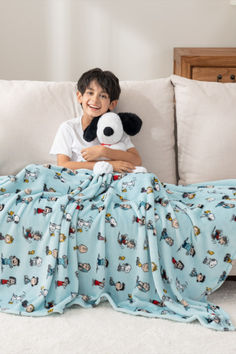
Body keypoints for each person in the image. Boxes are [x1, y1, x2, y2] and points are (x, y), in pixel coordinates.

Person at [50, 68, 142, 173]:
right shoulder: (69, 127)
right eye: (90, 93)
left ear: (112, 104)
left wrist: (104, 152)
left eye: (103, 96)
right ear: (80, 97)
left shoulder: (116, 128)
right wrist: (109, 165)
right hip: (80, 180)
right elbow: (63, 164)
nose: (95, 100)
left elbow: (137, 160)